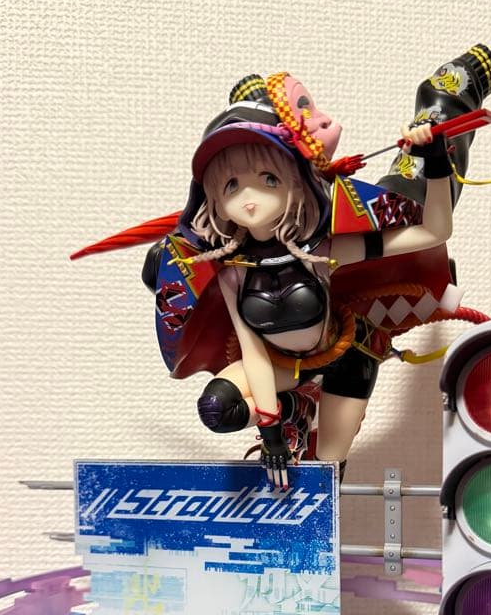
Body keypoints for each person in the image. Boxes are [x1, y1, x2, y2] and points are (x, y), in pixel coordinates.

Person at [168, 115, 456, 489]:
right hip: (282, 366)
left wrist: (435, 160)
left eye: (268, 178)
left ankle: (301, 416)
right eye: (231, 185)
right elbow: (253, 353)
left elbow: (434, 232)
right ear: (216, 203)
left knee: (327, 473)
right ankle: (295, 407)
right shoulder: (233, 272)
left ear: (295, 182)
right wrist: (271, 430)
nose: (249, 197)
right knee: (217, 409)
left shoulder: (322, 251)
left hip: (343, 357)